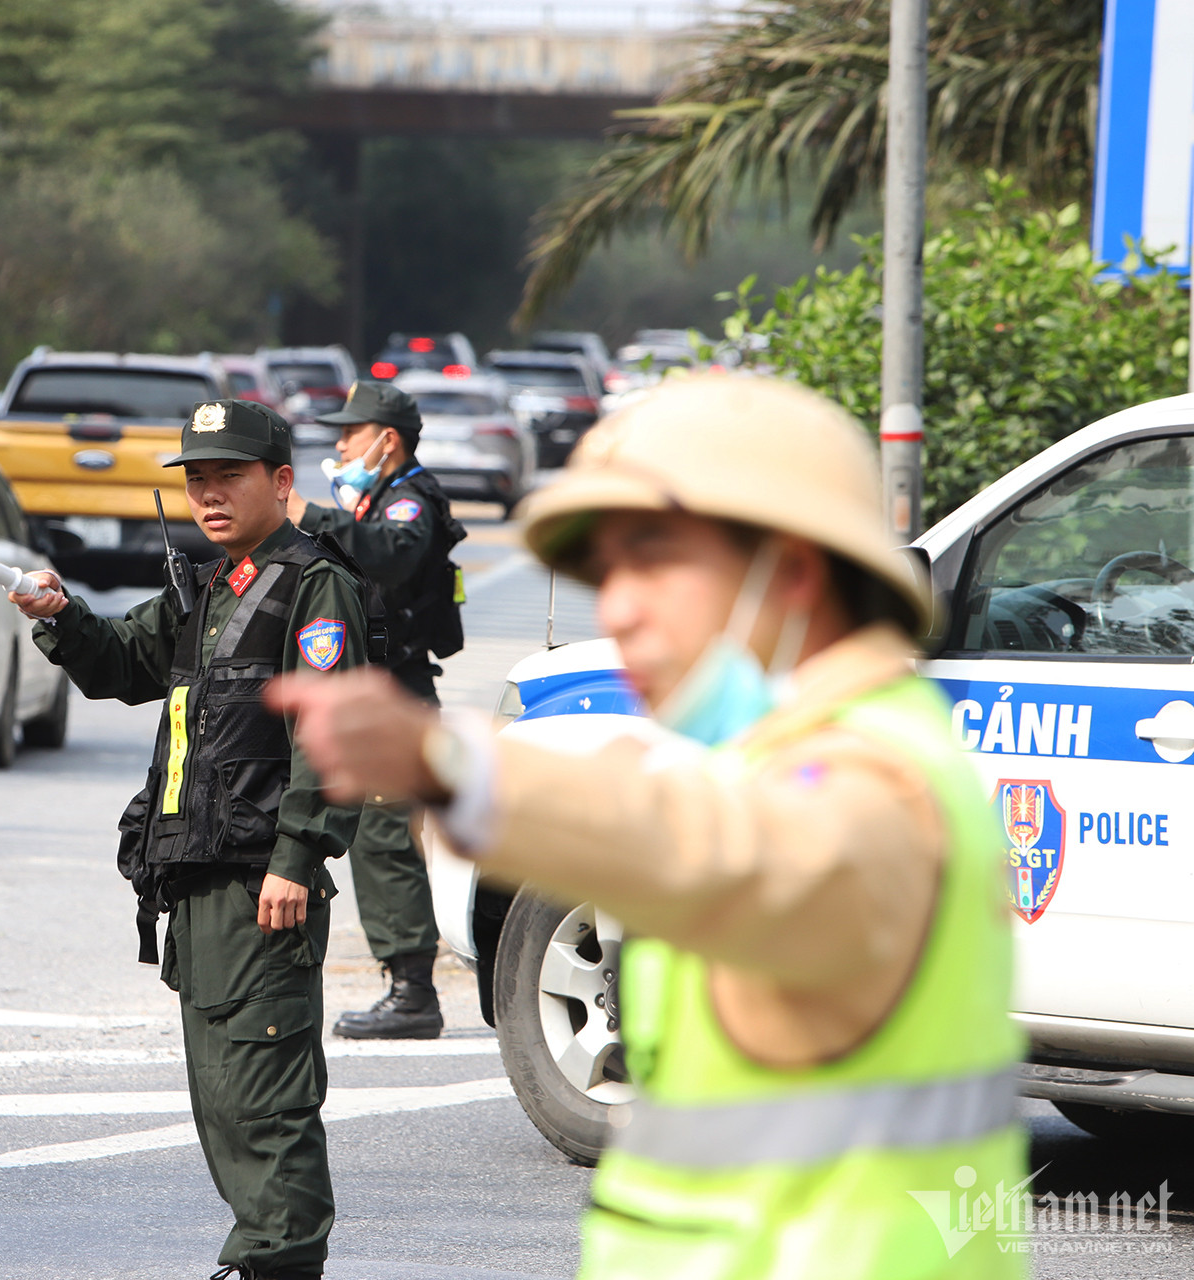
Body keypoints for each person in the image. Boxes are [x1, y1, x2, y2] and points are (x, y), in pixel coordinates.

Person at [270, 375, 1027, 1279]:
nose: (618, 608)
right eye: (607, 572)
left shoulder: (885, 775)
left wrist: (457, 767)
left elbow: (744, 848)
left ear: (788, 570)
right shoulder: (765, 751)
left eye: (656, 560)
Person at [10, 398, 369, 1280]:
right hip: (198, 888)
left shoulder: (312, 587)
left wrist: (297, 857)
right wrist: (60, 614)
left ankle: (274, 1264)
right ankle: (261, 1257)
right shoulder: (211, 588)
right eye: (197, 480)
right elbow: (121, 662)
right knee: (222, 1101)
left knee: (266, 1100)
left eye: (228, 477)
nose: (209, 496)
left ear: (280, 483)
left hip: (261, 889)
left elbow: (332, 733)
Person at [285, 380, 466, 1039]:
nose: (339, 444)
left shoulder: (412, 500)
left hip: (401, 690)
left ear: (386, 441)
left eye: (350, 433)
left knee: (387, 837)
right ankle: (404, 983)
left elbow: (391, 557)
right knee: (373, 836)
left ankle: (414, 994)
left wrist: (312, 515)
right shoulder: (381, 497)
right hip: (381, 686)